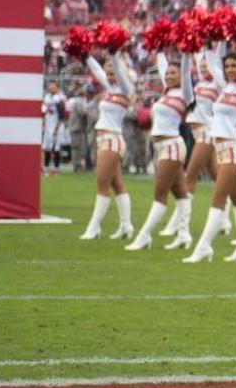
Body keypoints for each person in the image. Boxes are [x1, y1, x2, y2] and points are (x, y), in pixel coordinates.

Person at [182, 47, 236, 263]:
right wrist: (205, 44)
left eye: (234, 66)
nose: (230, 69)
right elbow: (212, 65)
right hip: (222, 150)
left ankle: (203, 247)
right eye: (227, 66)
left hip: (233, 149)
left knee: (218, 199)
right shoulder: (225, 88)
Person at [157, 49, 232, 244]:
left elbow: (214, 61)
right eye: (202, 64)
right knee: (219, 177)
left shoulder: (218, 83)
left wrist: (209, 46)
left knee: (189, 177)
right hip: (195, 133)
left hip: (206, 133)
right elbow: (180, 68)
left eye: (208, 63)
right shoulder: (198, 85)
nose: (204, 66)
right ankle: (225, 220)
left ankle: (178, 225)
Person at [125, 52, 194, 251]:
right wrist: (159, 49)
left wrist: (187, 52)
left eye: (175, 73)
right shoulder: (166, 93)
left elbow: (185, 71)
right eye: (168, 73)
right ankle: (184, 234)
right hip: (161, 147)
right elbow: (163, 64)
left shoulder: (186, 93)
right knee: (180, 192)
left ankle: (144, 235)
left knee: (160, 193)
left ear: (183, 75)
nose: (170, 76)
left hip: (172, 146)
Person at [79, 51, 136, 241]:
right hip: (105, 139)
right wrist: (85, 54)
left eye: (113, 72)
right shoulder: (110, 88)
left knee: (101, 184)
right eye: (108, 72)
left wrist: (114, 54)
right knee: (117, 184)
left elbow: (118, 71)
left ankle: (94, 227)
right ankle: (126, 225)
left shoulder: (126, 88)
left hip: (112, 140)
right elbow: (96, 69)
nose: (110, 76)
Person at [41, 81, 67, 176]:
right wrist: (43, 122)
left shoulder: (60, 98)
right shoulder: (47, 97)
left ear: (57, 88)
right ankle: (46, 167)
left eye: (53, 87)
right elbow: (43, 111)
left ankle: (56, 168)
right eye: (50, 87)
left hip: (56, 124)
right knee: (46, 147)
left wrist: (57, 126)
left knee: (56, 147)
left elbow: (62, 114)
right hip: (48, 124)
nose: (51, 89)